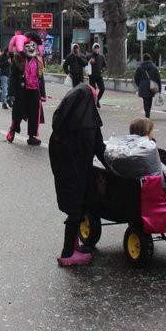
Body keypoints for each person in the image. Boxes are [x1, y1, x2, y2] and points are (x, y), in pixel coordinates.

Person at [47, 82, 106, 266]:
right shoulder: (89, 125)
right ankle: (68, 253)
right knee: (77, 210)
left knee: (72, 208)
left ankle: (74, 246)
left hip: (63, 175)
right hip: (80, 175)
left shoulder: (61, 125)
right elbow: (100, 150)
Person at [7, 32, 46, 146]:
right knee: (18, 113)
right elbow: (13, 77)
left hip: (34, 91)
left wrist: (42, 94)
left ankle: (32, 136)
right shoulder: (17, 60)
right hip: (21, 91)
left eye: (33, 46)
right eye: (28, 46)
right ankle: (13, 130)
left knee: (34, 114)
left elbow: (41, 78)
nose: (31, 48)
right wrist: (12, 93)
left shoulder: (38, 60)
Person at [133, 53, 162, 119]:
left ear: (143, 59)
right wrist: (159, 89)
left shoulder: (140, 68)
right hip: (151, 86)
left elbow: (136, 78)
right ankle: (148, 113)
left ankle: (147, 112)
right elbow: (158, 78)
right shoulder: (154, 67)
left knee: (145, 100)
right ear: (150, 59)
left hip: (143, 85)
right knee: (150, 99)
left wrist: (139, 84)